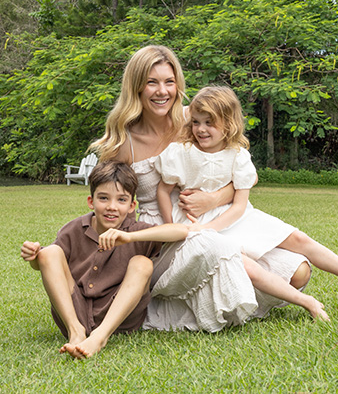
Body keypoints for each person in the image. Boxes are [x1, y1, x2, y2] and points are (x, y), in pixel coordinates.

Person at [90, 45, 312, 331]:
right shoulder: (123, 142)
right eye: (152, 82)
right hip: (161, 234)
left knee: (298, 272)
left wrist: (214, 198)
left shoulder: (193, 118)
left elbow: (245, 174)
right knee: (222, 252)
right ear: (136, 87)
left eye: (169, 82)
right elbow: (110, 202)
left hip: (207, 218)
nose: (162, 91)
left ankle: (241, 289)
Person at [155, 86, 338, 320]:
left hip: (234, 217)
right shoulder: (182, 151)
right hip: (197, 225)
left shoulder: (238, 155)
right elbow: (163, 191)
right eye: (196, 122)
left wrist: (208, 227)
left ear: (228, 123)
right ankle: (306, 302)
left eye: (209, 123)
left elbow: (239, 206)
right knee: (244, 265)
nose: (201, 129)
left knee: (298, 238)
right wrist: (173, 226)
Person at [20, 161, 189, 359]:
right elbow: (48, 265)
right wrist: (34, 257)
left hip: (119, 318)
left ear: (131, 206)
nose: (111, 207)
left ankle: (100, 336)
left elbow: (181, 231)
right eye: (103, 198)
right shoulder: (73, 229)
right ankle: (76, 332)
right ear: (91, 201)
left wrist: (130, 237)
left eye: (121, 200)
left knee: (142, 263)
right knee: (49, 252)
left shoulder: (135, 231)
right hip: (75, 311)